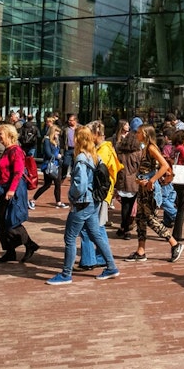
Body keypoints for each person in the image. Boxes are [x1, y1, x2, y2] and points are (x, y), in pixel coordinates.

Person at [46, 126, 121, 285]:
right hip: (93, 201)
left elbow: (80, 186)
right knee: (96, 234)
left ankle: (66, 274)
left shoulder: (81, 158)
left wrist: (71, 197)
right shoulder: (94, 155)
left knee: (70, 237)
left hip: (82, 202)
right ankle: (111, 266)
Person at [124, 123, 184, 263]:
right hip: (142, 188)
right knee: (140, 219)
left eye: (139, 132)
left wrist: (152, 180)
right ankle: (141, 250)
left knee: (151, 219)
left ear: (145, 134)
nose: (136, 135)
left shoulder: (151, 148)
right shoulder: (144, 148)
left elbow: (164, 166)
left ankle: (174, 244)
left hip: (149, 190)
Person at [76, 120, 123, 270]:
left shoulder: (102, 150)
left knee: (91, 227)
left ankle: (90, 259)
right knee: (97, 226)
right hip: (102, 193)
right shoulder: (105, 148)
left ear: (96, 134)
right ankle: (99, 257)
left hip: (98, 194)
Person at [0, 123, 39, 264]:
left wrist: (11, 190)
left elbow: (18, 173)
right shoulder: (7, 150)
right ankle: (10, 251)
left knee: (12, 221)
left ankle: (29, 244)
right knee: (1, 222)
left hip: (14, 190)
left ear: (9, 135)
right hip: (3, 188)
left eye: (1, 134)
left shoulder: (15, 151)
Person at [115, 117, 145, 240]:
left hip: (123, 180)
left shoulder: (120, 151)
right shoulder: (138, 152)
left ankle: (124, 227)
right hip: (133, 182)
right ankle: (126, 228)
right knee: (131, 205)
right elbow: (140, 166)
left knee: (125, 206)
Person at [32, 122, 65, 208]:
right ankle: (33, 199)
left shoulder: (56, 141)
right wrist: (57, 156)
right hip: (49, 166)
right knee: (47, 184)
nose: (58, 134)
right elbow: (48, 153)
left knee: (58, 184)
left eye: (58, 132)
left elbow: (59, 150)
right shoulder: (47, 140)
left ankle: (58, 202)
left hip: (57, 165)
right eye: (56, 132)